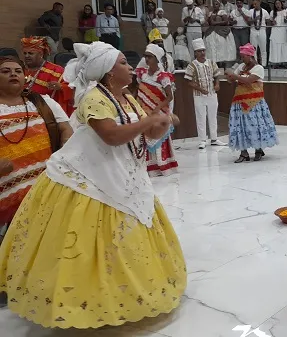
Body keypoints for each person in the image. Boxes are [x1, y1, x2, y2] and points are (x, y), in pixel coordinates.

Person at [0, 42, 185, 328]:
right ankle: (82, 304)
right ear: (109, 71)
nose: (130, 67)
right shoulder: (93, 97)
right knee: (88, 245)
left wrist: (160, 124)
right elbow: (110, 136)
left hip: (124, 175)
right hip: (91, 180)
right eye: (124, 62)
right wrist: (148, 120)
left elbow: (140, 137)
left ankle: (124, 294)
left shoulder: (126, 98)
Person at [0, 56, 72, 241]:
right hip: (6, 190)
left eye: (18, 71)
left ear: (26, 77)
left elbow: (66, 129)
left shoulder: (42, 102)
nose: (13, 74)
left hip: (45, 184)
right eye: (5, 71)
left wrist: (62, 155)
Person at [226, 43, 278, 162]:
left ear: (250, 56)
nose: (242, 59)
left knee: (255, 125)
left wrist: (234, 75)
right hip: (239, 102)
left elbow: (248, 80)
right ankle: (244, 153)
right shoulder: (241, 67)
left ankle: (258, 149)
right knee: (241, 126)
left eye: (244, 56)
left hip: (255, 103)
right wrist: (229, 76)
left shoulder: (258, 68)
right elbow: (231, 80)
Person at [136, 43, 178, 177]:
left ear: (156, 59)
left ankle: (163, 165)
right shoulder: (142, 75)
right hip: (145, 112)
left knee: (159, 136)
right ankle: (150, 167)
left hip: (158, 112)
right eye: (145, 56)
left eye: (149, 57)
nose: (147, 59)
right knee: (146, 135)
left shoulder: (163, 77)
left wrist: (157, 108)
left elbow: (170, 97)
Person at [184, 38, 226, 149]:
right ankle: (202, 140)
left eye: (203, 50)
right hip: (199, 96)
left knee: (213, 116)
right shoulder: (192, 65)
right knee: (201, 117)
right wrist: (200, 89)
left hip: (212, 94)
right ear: (195, 53)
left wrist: (217, 85)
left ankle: (214, 138)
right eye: (200, 51)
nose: (202, 53)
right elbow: (188, 81)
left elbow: (217, 76)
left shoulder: (211, 62)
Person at [21, 36, 74, 115]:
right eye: (25, 53)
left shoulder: (56, 71)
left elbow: (72, 89)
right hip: (21, 109)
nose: (26, 56)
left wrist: (60, 87)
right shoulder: (19, 69)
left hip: (47, 112)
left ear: (40, 53)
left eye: (30, 53)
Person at [204, 0, 236, 67]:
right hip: (212, 31)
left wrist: (215, 23)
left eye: (216, 4)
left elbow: (225, 21)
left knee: (221, 47)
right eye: (214, 4)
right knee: (211, 47)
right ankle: (214, 63)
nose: (215, 6)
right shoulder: (210, 13)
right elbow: (208, 22)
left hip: (221, 31)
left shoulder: (222, 12)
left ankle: (222, 64)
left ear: (219, 5)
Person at [249, 0, 270, 65]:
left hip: (262, 30)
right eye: (253, 4)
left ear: (259, 3)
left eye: (256, 4)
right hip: (253, 31)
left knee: (263, 49)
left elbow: (268, 21)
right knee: (253, 49)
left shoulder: (265, 11)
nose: (254, 5)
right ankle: (255, 64)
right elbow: (248, 22)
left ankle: (264, 64)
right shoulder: (250, 11)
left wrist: (265, 29)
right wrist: (254, 20)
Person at [269, 0, 287, 65]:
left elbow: (286, 21)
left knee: (283, 46)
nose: (277, 5)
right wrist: (272, 22)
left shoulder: (285, 11)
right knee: (275, 46)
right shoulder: (272, 12)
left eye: (279, 3)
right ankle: (276, 62)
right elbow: (270, 23)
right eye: (276, 4)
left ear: (281, 4)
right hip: (275, 31)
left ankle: (284, 62)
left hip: (283, 31)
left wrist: (286, 17)